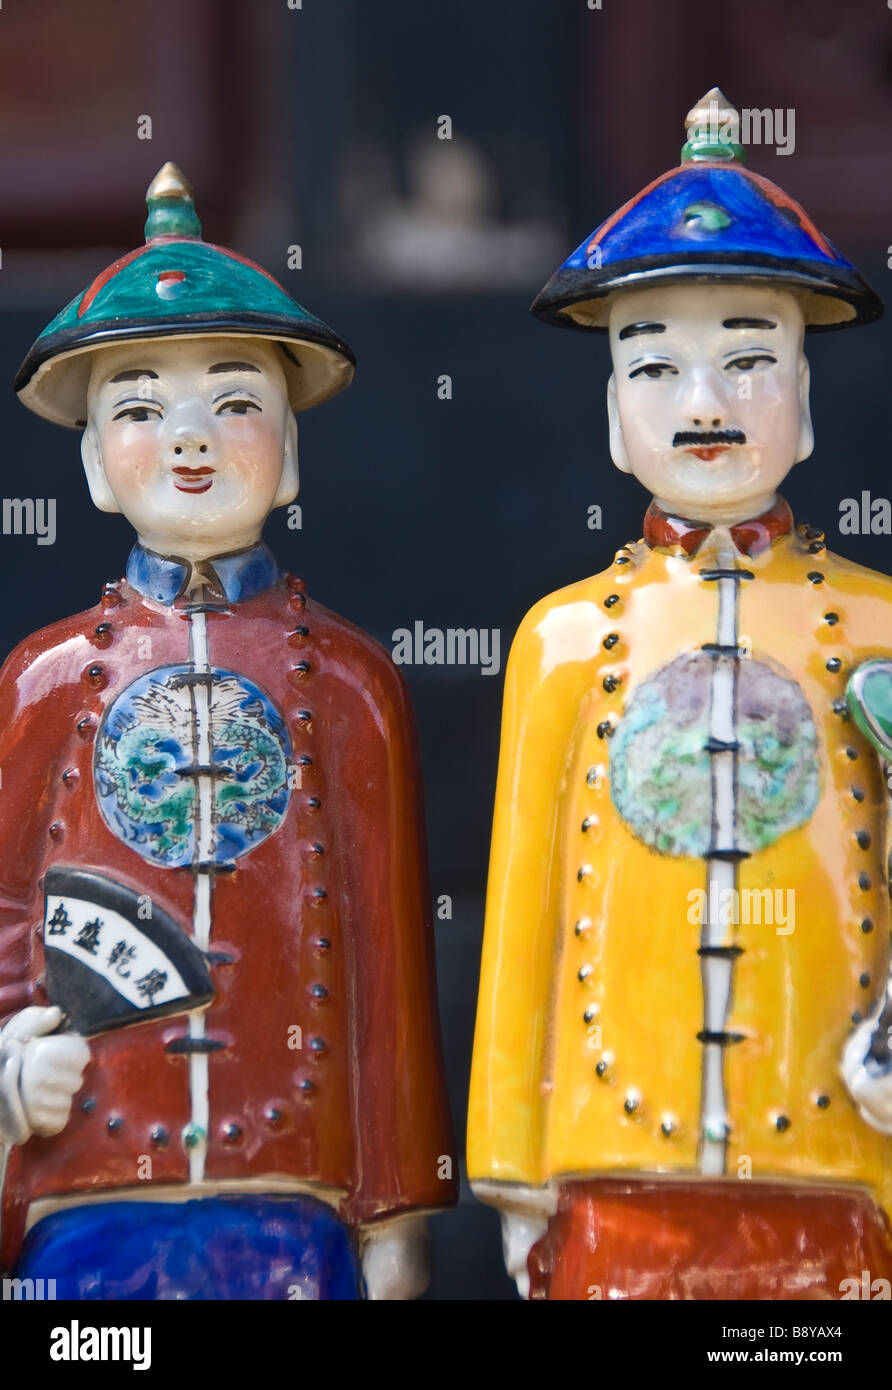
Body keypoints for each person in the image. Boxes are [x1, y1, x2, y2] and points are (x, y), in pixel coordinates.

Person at [0, 163, 456, 1299]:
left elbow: (389, 976)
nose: (190, 439)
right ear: (95, 461)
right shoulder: (42, 680)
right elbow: (8, 907)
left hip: (292, 1197)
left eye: (236, 401)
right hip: (87, 1187)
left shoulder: (348, 682)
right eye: (142, 407)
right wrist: (12, 1069)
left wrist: (396, 1219)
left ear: (290, 451)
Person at [468, 89, 892, 1300]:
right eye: (655, 366)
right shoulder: (562, 640)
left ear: (804, 403)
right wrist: (508, 1164)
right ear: (613, 414)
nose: (703, 402)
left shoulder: (877, 628)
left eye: (749, 360)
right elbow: (521, 918)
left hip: (840, 1153)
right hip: (614, 1152)